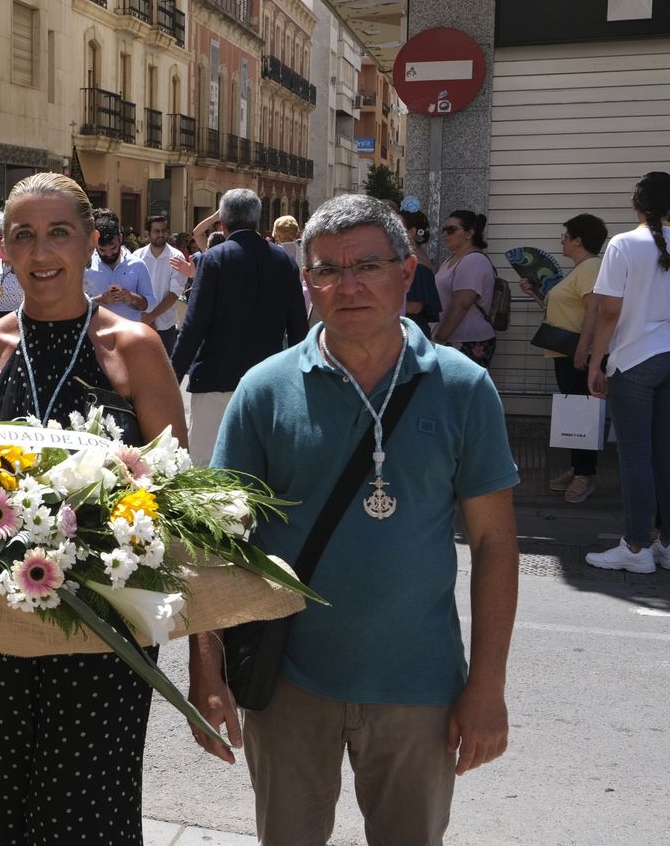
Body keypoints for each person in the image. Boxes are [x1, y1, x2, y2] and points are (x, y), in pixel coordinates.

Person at [192, 193, 519, 846]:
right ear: (306, 282)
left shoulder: (462, 387)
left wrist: (487, 686)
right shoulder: (264, 389)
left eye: (367, 265)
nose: (348, 285)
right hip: (285, 682)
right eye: (327, 270)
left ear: (406, 273)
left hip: (418, 686)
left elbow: (494, 543)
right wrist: (206, 672)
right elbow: (217, 544)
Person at [0, 172, 186, 843]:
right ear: (3, 251)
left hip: (102, 635)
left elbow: (171, 489)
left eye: (58, 233)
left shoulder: (134, 349)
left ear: (89, 243)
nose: (40, 252)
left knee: (91, 811)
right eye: (23, 235)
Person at [170, 188, 308, 466]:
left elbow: (194, 326)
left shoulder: (214, 259)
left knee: (207, 472)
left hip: (215, 380)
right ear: (258, 221)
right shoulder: (285, 263)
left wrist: (171, 377)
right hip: (268, 384)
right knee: (259, 471)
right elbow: (298, 331)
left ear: (222, 224)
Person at [585, 172, 670, 573]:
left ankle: (636, 548)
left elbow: (609, 311)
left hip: (635, 359)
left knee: (635, 456)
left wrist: (596, 360)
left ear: (637, 203)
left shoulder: (623, 244)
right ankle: (667, 545)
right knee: (665, 455)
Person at [522, 214, 607, 504]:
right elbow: (560, 309)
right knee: (574, 411)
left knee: (583, 412)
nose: (562, 240)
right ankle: (578, 468)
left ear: (578, 240)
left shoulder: (591, 267)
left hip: (578, 354)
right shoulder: (580, 269)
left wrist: (584, 350)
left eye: (565, 235)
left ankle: (586, 474)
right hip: (568, 352)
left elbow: (593, 309)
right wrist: (535, 293)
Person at [431, 210, 498, 368]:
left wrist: (440, 337)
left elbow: (462, 304)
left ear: (469, 233)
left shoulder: (473, 260)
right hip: (452, 339)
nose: (446, 234)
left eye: (452, 230)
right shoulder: (451, 259)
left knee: (461, 391)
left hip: (468, 340)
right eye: (444, 230)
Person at [83, 207, 154, 324]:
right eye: (102, 250)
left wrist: (133, 298)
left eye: (113, 248)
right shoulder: (85, 267)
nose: (109, 254)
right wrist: (101, 300)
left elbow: (150, 305)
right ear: (94, 242)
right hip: (96, 336)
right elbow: (75, 307)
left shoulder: (138, 265)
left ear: (120, 239)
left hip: (130, 334)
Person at [138, 215, 187, 353]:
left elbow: (174, 294)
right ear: (148, 234)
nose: (161, 234)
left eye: (164, 230)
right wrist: (144, 317)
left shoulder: (177, 258)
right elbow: (132, 289)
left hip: (166, 326)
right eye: (156, 231)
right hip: (140, 323)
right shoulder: (137, 257)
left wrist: (151, 316)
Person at [399, 211, 442, 334]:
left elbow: (415, 306)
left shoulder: (417, 262)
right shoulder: (412, 255)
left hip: (413, 331)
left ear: (411, 232)